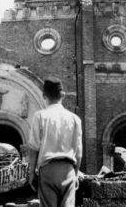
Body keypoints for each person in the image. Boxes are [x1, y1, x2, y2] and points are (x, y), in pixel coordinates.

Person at [28, 77, 82, 207]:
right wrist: (75, 173)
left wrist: (31, 173)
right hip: (68, 169)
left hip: (48, 170)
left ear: (44, 96)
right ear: (62, 95)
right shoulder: (74, 119)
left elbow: (34, 148)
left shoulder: (40, 116)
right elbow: (79, 153)